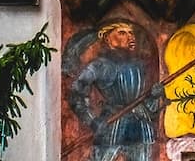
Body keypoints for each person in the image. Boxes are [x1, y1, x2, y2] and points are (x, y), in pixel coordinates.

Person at [66, 22, 157, 161]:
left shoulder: (139, 66)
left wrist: (154, 96)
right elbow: (76, 93)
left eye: (131, 32)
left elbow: (147, 105)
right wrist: (92, 120)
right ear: (108, 38)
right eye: (122, 32)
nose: (130, 37)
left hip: (140, 128)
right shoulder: (100, 65)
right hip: (111, 127)